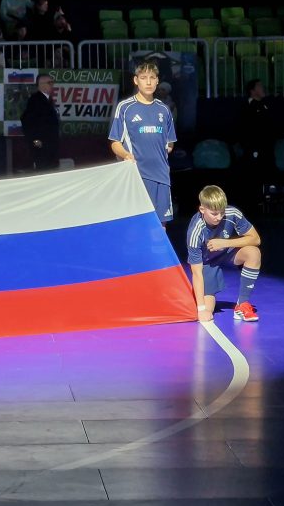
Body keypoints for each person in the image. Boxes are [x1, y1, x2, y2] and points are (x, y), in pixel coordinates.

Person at [109, 62, 177, 225]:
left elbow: (170, 143)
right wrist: (126, 155)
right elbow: (114, 142)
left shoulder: (164, 109)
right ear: (135, 80)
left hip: (161, 177)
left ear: (157, 81)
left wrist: (158, 153)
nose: (148, 82)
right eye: (143, 78)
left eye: (152, 78)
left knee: (161, 227)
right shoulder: (125, 107)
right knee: (136, 225)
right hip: (136, 176)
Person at [186, 185, 263, 323]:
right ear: (202, 209)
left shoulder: (232, 213)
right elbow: (197, 273)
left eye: (221, 212)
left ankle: (242, 304)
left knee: (253, 253)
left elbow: (256, 239)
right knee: (208, 311)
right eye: (214, 214)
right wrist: (202, 309)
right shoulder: (195, 231)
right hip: (207, 263)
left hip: (227, 253)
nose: (219, 217)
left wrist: (224, 243)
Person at [20, 73, 60, 171]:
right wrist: (34, 139)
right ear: (41, 84)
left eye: (52, 82)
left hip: (50, 145)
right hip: (42, 146)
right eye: (49, 82)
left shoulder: (48, 100)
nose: (52, 85)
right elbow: (26, 120)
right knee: (43, 170)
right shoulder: (35, 100)